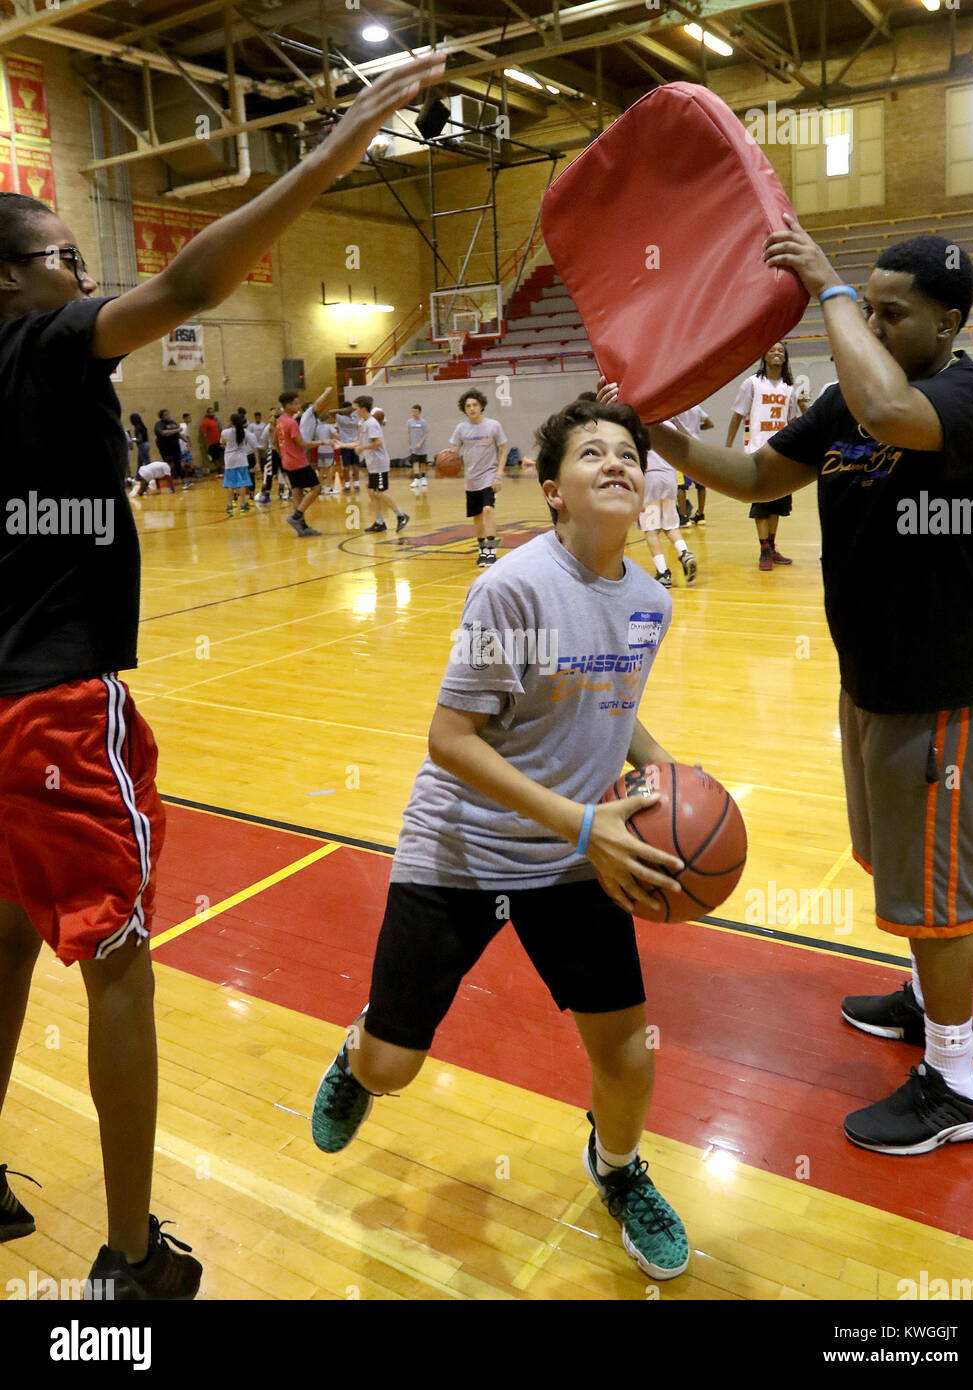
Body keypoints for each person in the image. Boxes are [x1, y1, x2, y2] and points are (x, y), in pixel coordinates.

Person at [0, 47, 446, 1293]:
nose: (81, 276)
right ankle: (130, 1261)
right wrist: (342, 137)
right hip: (53, 705)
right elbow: (194, 279)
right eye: (60, 257)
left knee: (2, 941)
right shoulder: (42, 348)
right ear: (10, 280)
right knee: (116, 960)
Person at [640, 225, 973, 1156]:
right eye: (868, 309)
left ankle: (960, 1081)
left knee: (941, 897)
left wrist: (834, 293)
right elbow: (761, 474)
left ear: (948, 323)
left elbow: (893, 416)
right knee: (898, 871)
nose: (874, 326)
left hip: (949, 690)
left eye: (895, 313)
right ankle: (927, 1004)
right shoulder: (851, 399)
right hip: (873, 684)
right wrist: (666, 439)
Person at [311, 395, 692, 1282]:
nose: (616, 462)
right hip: (463, 848)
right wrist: (583, 822)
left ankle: (618, 1168)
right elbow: (450, 741)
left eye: (628, 453)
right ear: (552, 490)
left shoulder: (648, 600)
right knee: (397, 1067)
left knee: (628, 1054)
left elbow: (614, 700)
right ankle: (361, 1054)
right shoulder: (513, 586)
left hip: (570, 858)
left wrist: (668, 771)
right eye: (591, 452)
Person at [725, 342, 807, 571]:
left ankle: (771, 546)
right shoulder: (752, 383)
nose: (777, 352)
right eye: (772, 349)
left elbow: (792, 421)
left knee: (778, 503)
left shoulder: (790, 388)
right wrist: (728, 446)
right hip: (758, 451)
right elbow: (737, 416)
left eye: (781, 350)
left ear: (785, 356)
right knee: (761, 503)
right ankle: (763, 550)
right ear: (764, 355)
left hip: (782, 452)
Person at [449, 388, 508, 567]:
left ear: (481, 406)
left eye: (475, 405)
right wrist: (447, 457)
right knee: (477, 517)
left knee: (488, 510)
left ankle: (491, 550)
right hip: (471, 479)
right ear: (464, 409)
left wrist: (498, 476)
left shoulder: (493, 425)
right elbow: (454, 451)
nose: (472, 408)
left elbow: (503, 450)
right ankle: (482, 550)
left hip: (489, 476)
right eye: (468, 406)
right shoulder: (461, 428)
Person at [639, 448, 697, 586]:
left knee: (651, 529)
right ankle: (684, 552)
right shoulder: (670, 425)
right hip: (670, 478)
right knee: (670, 525)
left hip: (651, 477)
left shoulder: (639, 429)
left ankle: (662, 572)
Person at [355, 394, 408, 534]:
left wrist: (362, 448)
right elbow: (361, 443)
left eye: (356, 408)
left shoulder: (372, 423)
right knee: (372, 493)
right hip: (373, 464)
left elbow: (376, 442)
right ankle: (379, 522)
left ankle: (401, 515)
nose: (355, 411)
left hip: (379, 463)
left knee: (379, 492)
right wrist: (341, 444)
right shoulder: (365, 423)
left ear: (363, 409)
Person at [274, 390, 322, 537]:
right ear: (287, 405)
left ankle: (302, 527)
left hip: (287, 462)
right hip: (298, 462)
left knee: (297, 493)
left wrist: (284, 454)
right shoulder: (291, 422)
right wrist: (323, 442)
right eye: (294, 403)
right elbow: (303, 443)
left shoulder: (280, 421)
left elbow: (275, 442)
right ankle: (296, 517)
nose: (298, 405)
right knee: (316, 488)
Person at [668, 406, 713, 524]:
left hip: (683, 448)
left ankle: (683, 517)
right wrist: (697, 429)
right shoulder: (697, 407)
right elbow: (710, 424)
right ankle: (700, 514)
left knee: (681, 485)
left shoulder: (675, 409)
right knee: (701, 484)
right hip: (699, 446)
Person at [221, 412, 252, 515]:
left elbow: (222, 444)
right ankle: (243, 504)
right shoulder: (245, 432)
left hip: (230, 459)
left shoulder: (225, 432)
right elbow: (246, 443)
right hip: (242, 459)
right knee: (242, 483)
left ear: (231, 422)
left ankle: (229, 506)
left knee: (230, 484)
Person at [335, 404, 362, 493]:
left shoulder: (339, 418)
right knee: (355, 465)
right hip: (354, 444)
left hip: (345, 445)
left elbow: (330, 412)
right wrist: (350, 409)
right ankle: (356, 484)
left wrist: (342, 410)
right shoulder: (355, 417)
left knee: (346, 466)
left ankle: (347, 486)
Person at [153, 407, 182, 485]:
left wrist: (186, 441)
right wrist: (177, 430)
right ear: (161, 416)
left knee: (178, 463)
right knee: (169, 464)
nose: (168, 416)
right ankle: (170, 481)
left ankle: (181, 480)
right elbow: (163, 433)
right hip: (165, 448)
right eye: (165, 415)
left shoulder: (172, 422)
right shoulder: (159, 424)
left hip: (175, 446)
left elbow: (178, 433)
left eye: (168, 414)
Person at [407, 404, 429, 489]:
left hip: (422, 447)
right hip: (413, 447)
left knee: (422, 463)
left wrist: (420, 443)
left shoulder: (423, 422)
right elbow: (408, 434)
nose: (413, 413)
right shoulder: (409, 422)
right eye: (412, 411)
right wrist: (409, 445)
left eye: (415, 411)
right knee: (415, 463)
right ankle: (416, 479)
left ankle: (423, 478)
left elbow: (425, 434)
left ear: (419, 412)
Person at [199, 407, 223, 474]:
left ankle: (219, 469)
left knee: (219, 457)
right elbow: (204, 434)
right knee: (214, 458)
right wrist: (207, 444)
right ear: (208, 413)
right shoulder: (205, 421)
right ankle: (220, 470)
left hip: (218, 442)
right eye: (211, 412)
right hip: (211, 443)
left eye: (213, 412)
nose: (213, 413)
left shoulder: (215, 420)